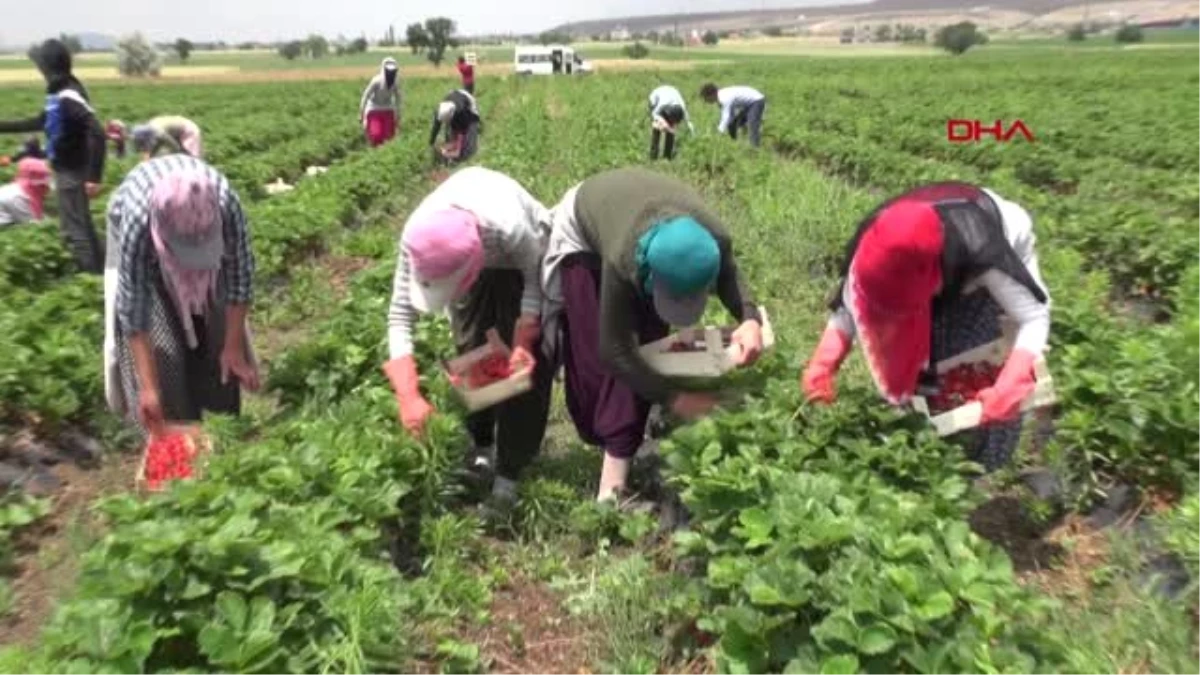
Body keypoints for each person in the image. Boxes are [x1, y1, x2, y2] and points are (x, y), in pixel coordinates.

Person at [541, 167, 765, 504]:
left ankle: (614, 478)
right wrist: (677, 398)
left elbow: (729, 275)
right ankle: (610, 474)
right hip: (585, 230)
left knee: (649, 348)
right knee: (596, 358)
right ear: (647, 272)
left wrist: (749, 318)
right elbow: (614, 351)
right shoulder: (622, 256)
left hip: (644, 213)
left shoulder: (713, 241)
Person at [801, 182, 1051, 472]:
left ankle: (977, 464)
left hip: (985, 271)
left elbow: (1034, 316)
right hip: (931, 270)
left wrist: (1016, 377)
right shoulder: (871, 245)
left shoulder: (983, 248)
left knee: (976, 364)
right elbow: (850, 304)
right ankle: (919, 445)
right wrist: (824, 362)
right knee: (923, 373)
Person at [382, 166, 554, 512]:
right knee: (474, 348)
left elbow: (533, 278)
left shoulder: (512, 227)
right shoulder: (418, 235)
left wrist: (524, 336)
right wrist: (407, 394)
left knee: (523, 371)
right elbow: (400, 315)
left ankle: (510, 473)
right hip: (464, 254)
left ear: (472, 267)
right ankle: (482, 446)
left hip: (523, 262)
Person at [103, 154, 259, 440]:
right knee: (166, 353)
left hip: (199, 229)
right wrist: (149, 387)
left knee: (218, 340)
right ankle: (176, 429)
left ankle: (223, 429)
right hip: (147, 254)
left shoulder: (225, 203)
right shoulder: (137, 221)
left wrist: (233, 347)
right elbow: (133, 306)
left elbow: (240, 275)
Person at [0, 38, 106, 273]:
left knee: (74, 231)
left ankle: (90, 278)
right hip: (66, 169)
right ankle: (100, 269)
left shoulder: (69, 95)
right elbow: (39, 122)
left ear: (49, 67)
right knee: (79, 225)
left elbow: (97, 132)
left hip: (73, 171)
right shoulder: (59, 94)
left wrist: (94, 176)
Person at [699, 83, 766, 148]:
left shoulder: (724, 98)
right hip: (749, 104)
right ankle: (735, 144)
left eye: (706, 98)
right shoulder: (720, 98)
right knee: (732, 125)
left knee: (752, 124)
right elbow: (731, 115)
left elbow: (726, 116)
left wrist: (719, 131)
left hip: (757, 101)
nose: (706, 101)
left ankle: (755, 147)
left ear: (711, 95)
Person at [430, 89, 481, 165]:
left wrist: (446, 154)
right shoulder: (439, 112)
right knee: (450, 135)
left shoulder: (462, 114)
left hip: (468, 103)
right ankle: (449, 149)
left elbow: (458, 151)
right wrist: (432, 142)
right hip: (454, 97)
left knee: (466, 149)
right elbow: (436, 128)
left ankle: (468, 150)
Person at [360, 57, 401, 147]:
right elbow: (366, 96)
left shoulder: (395, 82)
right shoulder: (376, 81)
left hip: (388, 108)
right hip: (374, 108)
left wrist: (398, 115)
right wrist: (362, 113)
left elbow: (398, 98)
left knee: (389, 136)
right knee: (376, 135)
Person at [647, 85, 695, 161]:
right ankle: (653, 156)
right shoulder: (662, 103)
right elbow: (654, 114)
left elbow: (689, 122)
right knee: (657, 126)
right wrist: (663, 122)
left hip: (672, 95)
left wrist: (693, 135)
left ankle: (667, 156)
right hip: (656, 100)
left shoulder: (682, 107)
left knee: (671, 129)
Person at [0, 158, 52, 228]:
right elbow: (31, 224)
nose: (45, 188)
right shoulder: (17, 197)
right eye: (42, 185)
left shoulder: (19, 188)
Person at [131, 116, 203, 160]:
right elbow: (149, 149)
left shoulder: (158, 132)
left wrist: (179, 154)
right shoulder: (147, 130)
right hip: (175, 133)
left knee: (192, 158)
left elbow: (174, 146)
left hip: (188, 130)